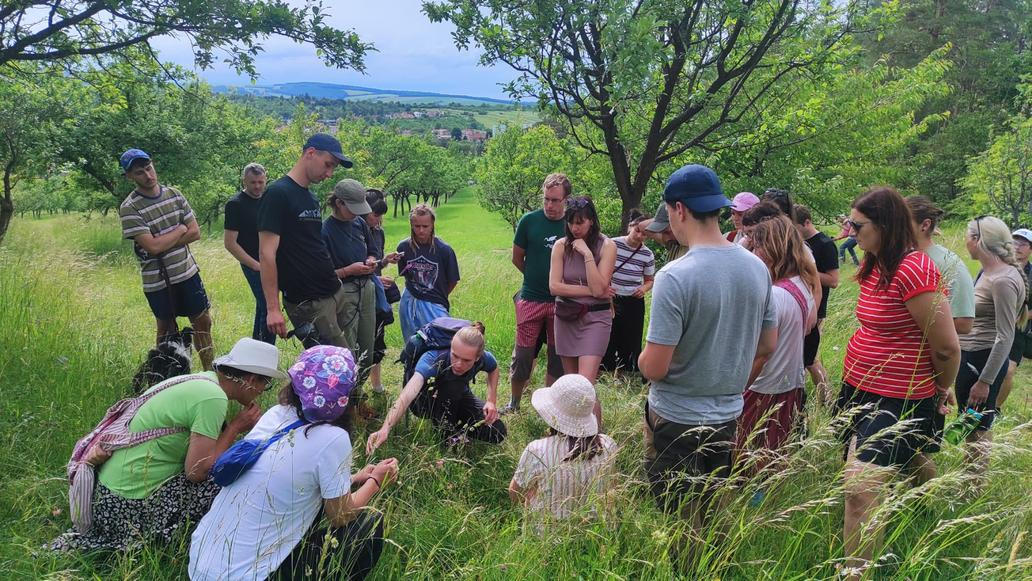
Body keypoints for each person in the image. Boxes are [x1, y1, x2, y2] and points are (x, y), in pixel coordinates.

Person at [637, 164, 777, 535]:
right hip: (728, 416)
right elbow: (768, 344)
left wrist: (641, 358)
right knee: (714, 513)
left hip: (677, 418)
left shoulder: (675, 276)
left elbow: (654, 368)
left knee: (681, 521)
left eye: (668, 213)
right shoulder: (757, 268)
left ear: (679, 209)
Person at [50, 338, 287, 551]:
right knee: (231, 482)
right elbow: (197, 472)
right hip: (126, 508)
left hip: (105, 497)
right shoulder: (212, 398)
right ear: (251, 380)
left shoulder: (202, 381)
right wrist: (235, 428)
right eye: (264, 385)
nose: (261, 392)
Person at [189, 346, 397, 581]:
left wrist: (352, 479)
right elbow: (341, 515)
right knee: (369, 523)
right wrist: (376, 481)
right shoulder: (333, 438)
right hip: (247, 576)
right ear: (345, 397)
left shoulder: (276, 414)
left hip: (200, 566)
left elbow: (289, 480)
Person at [836, 187, 960, 579]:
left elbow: (946, 346)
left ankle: (856, 572)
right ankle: (931, 509)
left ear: (885, 225)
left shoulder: (914, 268)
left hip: (898, 393)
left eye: (857, 225)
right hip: (861, 386)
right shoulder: (876, 263)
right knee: (893, 464)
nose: (849, 232)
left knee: (860, 488)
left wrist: (944, 387)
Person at [118, 148, 214, 370]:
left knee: (203, 323)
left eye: (149, 168)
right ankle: (163, 374)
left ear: (154, 165)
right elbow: (152, 247)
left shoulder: (174, 194)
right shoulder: (129, 208)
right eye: (140, 172)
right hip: (157, 281)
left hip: (188, 273)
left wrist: (164, 240)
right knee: (165, 329)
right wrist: (180, 229)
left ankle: (209, 374)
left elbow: (195, 233)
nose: (148, 175)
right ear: (129, 176)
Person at [738, 216, 816, 477]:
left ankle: (753, 502)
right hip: (789, 381)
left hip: (763, 384)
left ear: (771, 249)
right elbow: (809, 326)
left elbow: (760, 351)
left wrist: (738, 389)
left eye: (757, 246)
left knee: (744, 453)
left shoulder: (775, 295)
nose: (753, 253)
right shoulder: (801, 284)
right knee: (773, 450)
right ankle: (764, 496)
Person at [258, 133, 353, 344]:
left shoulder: (310, 197)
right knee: (334, 368)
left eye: (333, 168)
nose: (329, 174)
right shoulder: (277, 194)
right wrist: (272, 308)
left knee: (348, 356)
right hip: (309, 302)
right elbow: (266, 254)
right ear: (310, 153)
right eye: (328, 165)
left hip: (332, 291)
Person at [954, 216, 1026, 488]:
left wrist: (984, 381)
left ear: (978, 240)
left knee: (979, 427)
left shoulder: (1003, 280)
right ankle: (967, 480)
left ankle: (973, 489)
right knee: (970, 423)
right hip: (971, 357)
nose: (965, 241)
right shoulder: (988, 272)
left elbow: (1005, 336)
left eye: (967, 236)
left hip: (983, 362)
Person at [367, 324, 506, 451]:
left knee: (497, 431)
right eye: (455, 356)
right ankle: (447, 435)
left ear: (477, 357)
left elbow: (493, 368)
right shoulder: (433, 358)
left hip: (459, 394)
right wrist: (385, 428)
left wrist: (491, 400)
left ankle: (458, 433)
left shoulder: (483, 358)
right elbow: (407, 394)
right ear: (451, 347)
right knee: (450, 392)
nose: (458, 364)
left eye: (466, 360)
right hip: (426, 401)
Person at [508, 374, 618, 524]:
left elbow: (515, 494)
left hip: (546, 535)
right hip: (596, 530)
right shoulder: (608, 444)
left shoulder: (537, 450)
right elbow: (612, 487)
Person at [504, 173, 570, 414]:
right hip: (531, 297)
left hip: (561, 301)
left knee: (557, 355)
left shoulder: (572, 224)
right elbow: (516, 257)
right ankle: (514, 402)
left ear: (566, 200)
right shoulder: (529, 221)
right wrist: (533, 276)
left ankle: (550, 408)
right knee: (522, 354)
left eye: (555, 200)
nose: (550, 206)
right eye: (546, 199)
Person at [549, 195, 616, 427]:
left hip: (596, 319)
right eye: (571, 222)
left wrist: (587, 254)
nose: (575, 228)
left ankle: (595, 438)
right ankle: (570, 434)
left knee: (585, 386)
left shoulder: (607, 246)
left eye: (580, 222)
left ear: (592, 221)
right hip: (567, 316)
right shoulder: (560, 246)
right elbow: (554, 286)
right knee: (570, 383)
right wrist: (589, 288)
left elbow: (599, 291)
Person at [322, 178, 378, 380]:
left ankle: (359, 389)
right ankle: (346, 391)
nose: (356, 213)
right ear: (339, 203)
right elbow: (323, 273)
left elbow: (372, 250)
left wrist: (371, 260)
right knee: (347, 345)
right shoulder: (325, 231)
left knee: (367, 345)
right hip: (344, 293)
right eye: (352, 208)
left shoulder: (360, 223)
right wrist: (348, 270)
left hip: (367, 289)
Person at [905, 196, 975, 335]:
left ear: (924, 225)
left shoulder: (949, 264)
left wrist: (903, 325)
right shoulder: (897, 259)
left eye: (902, 222)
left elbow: (964, 324)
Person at [792, 204, 840, 404]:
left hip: (816, 308)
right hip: (802, 306)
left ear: (807, 222)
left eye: (796, 227)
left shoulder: (824, 243)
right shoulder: (799, 243)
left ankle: (826, 399)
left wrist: (805, 270)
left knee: (809, 358)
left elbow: (834, 280)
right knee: (806, 357)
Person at [224, 162, 276, 345]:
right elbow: (230, 243)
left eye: (261, 182)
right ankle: (265, 354)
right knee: (270, 308)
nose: (257, 186)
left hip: (272, 260)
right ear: (244, 180)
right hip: (253, 263)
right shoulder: (235, 204)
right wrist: (255, 265)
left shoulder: (268, 199)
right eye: (252, 182)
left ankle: (256, 351)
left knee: (263, 308)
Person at [396, 203, 461, 341]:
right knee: (412, 341)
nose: (421, 230)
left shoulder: (444, 250)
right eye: (417, 226)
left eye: (425, 226)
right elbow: (405, 275)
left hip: (435, 302)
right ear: (411, 225)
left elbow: (453, 280)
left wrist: (434, 296)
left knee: (440, 340)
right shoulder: (403, 247)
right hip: (410, 301)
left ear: (432, 225)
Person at [601, 211, 655, 374]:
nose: (639, 236)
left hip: (633, 299)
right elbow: (601, 268)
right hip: (611, 297)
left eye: (644, 234)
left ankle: (628, 368)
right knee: (609, 333)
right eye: (637, 230)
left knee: (631, 335)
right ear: (630, 227)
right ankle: (606, 366)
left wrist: (643, 289)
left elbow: (649, 279)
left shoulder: (647, 254)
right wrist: (605, 287)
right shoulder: (612, 244)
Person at [363, 190, 402, 394]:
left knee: (378, 337)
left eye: (381, 215)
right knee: (362, 341)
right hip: (360, 295)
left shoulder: (378, 232)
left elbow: (375, 264)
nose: (379, 220)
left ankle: (376, 385)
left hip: (377, 294)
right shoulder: (355, 232)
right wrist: (375, 279)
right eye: (375, 215)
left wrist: (386, 260)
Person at [999, 228, 1032, 408]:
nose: (1017, 247)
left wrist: (1018, 317)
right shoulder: (995, 267)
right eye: (1014, 242)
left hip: (1016, 330)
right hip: (990, 327)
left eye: (1023, 244)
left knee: (1008, 371)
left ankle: (995, 409)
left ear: (1030, 249)